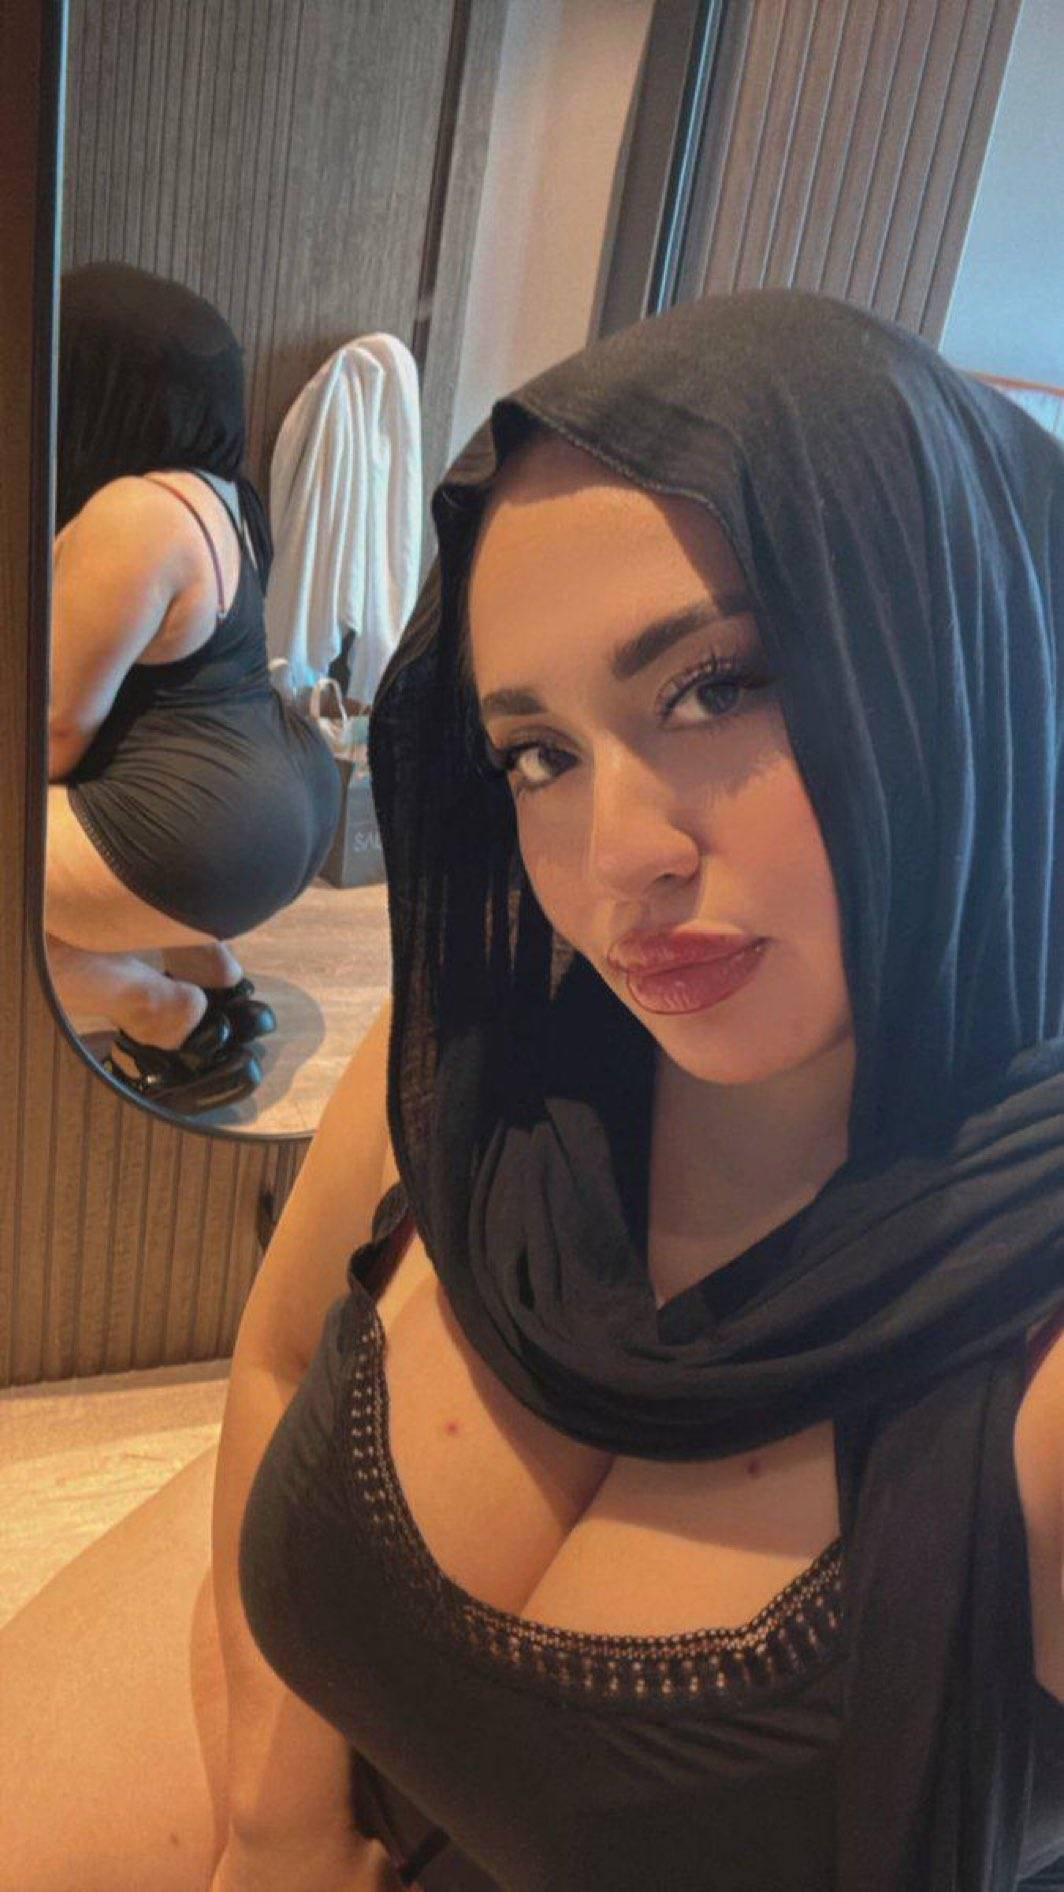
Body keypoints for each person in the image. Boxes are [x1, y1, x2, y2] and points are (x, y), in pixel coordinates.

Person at [3, 288, 1064, 1890]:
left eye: (716, 687)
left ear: (961, 661)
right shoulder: (487, 1067)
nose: (618, 860)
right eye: (539, 755)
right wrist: (279, 1818)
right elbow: (279, 1358)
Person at [45, 262, 343, 1113]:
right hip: (287, 804)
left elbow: (58, 730)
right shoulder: (222, 493)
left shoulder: (131, 514)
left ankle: (160, 1014)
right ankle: (216, 981)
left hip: (209, 841)